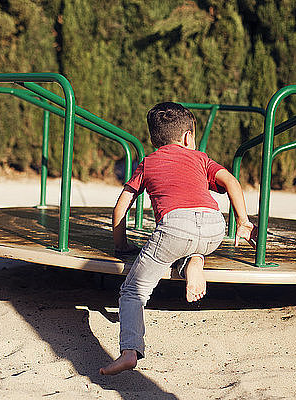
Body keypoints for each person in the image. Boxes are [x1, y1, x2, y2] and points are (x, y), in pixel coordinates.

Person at [99, 102, 256, 375]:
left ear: (154, 138)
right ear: (188, 137)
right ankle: (195, 261)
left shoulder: (147, 162)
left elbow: (121, 207)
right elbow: (231, 181)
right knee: (191, 244)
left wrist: (121, 244)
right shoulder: (201, 158)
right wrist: (242, 221)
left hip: (174, 227)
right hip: (214, 228)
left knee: (132, 291)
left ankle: (129, 351)